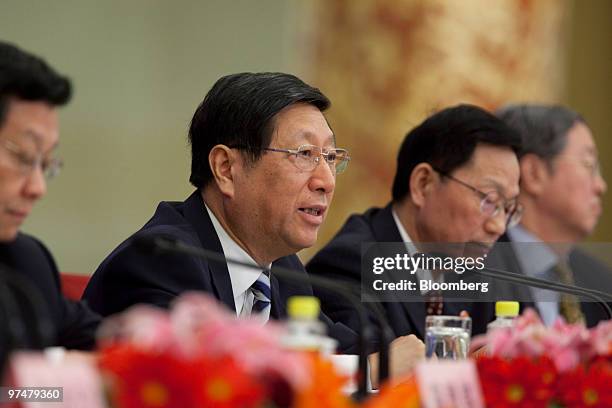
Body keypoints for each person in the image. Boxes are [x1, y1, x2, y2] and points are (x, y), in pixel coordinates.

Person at [83, 72, 424, 374]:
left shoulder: (280, 267)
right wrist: (375, 370)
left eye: (331, 158)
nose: (327, 181)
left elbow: (343, 349)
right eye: (304, 155)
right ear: (226, 169)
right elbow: (210, 384)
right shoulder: (163, 259)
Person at [307, 104, 522, 339]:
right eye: (489, 201)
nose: (499, 226)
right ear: (423, 184)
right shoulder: (349, 266)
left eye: (508, 208)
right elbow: (372, 370)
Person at [0, 41, 100, 352]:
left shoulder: (24, 261)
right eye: (24, 157)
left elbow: (106, 342)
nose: (38, 188)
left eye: (45, 163)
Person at [494, 104, 611, 327]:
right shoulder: (470, 269)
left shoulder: (600, 283)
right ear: (534, 173)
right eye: (588, 164)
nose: (600, 186)